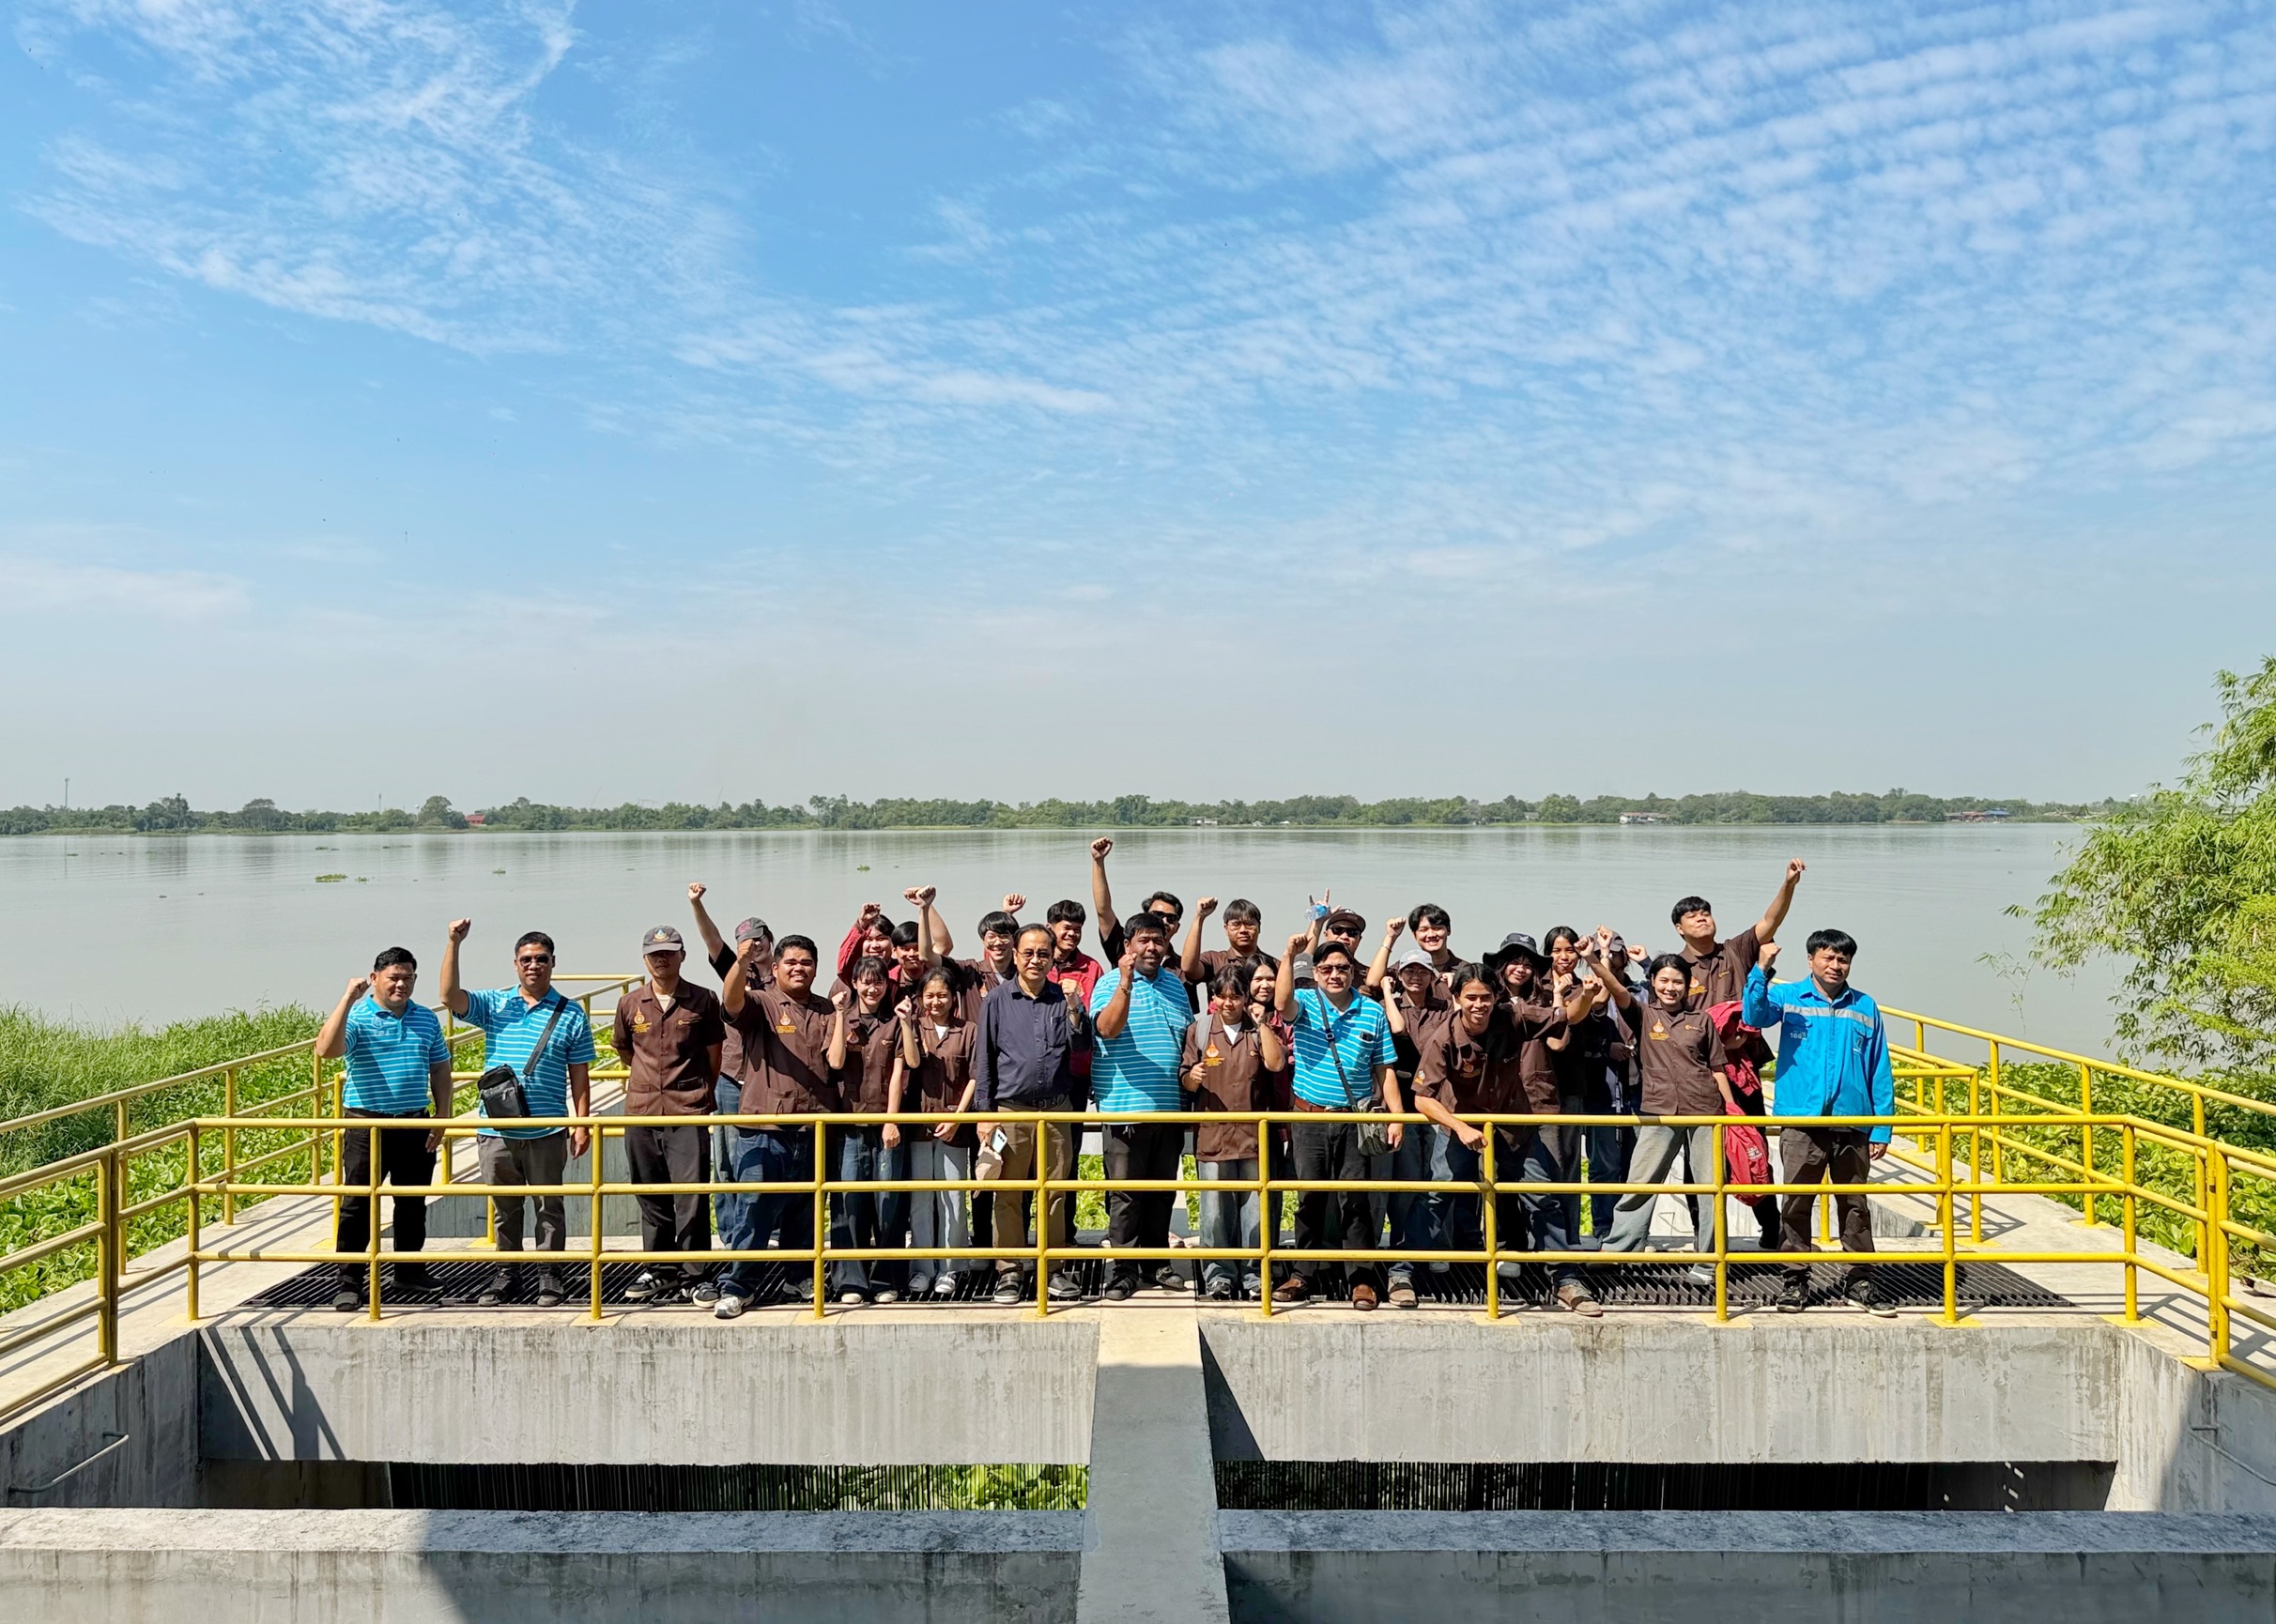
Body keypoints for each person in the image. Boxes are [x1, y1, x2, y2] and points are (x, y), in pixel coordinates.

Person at [1411, 963, 1601, 1315]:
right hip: (1461, 1127)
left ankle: (1565, 1280)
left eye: (1485, 997)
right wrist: (1460, 1127)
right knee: (1438, 1195)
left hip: (1514, 1126)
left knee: (1543, 1198)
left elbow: (1566, 1018)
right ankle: (1402, 1273)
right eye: (1471, 998)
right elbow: (1423, 1097)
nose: (1479, 1005)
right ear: (1457, 999)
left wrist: (1587, 995)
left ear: (1495, 997)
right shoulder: (1444, 1037)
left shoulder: (1513, 1016)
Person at [440, 920, 594, 1308]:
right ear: (515, 964)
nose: (534, 965)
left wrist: (580, 1124)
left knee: (549, 1207)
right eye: (526, 959)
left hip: (547, 1128)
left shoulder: (571, 1013)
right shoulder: (496, 1004)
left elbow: (579, 1076)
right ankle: (507, 1274)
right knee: (504, 1209)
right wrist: (453, 943)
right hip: (498, 1129)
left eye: (541, 959)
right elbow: (448, 996)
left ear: (553, 963)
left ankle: (549, 1276)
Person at [1745, 932, 1899, 1316]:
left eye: (1843, 960)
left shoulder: (1864, 1006)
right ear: (1811, 959)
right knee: (1796, 1203)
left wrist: (1881, 1128)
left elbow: (1879, 1069)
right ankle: (1794, 1281)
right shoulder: (1789, 997)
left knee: (1855, 1206)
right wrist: (1761, 969)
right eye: (1828, 958)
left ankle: (1860, 1281)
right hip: (1801, 1122)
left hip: (1853, 1123)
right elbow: (1753, 1016)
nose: (1835, 966)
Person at [314, 946, 454, 1310]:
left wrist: (442, 1116)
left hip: (414, 1122)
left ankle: (408, 1271)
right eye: (393, 977)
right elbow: (326, 1050)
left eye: (407, 978)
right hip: (367, 1124)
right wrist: (347, 998)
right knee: (357, 1204)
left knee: (412, 1202)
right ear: (375, 978)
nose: (401, 985)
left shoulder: (425, 1019)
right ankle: (349, 1280)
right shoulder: (358, 1016)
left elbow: (440, 1068)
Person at [1272, 930, 1400, 1310]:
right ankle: (1302, 1273)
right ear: (1315, 972)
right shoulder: (1307, 1002)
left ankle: (1360, 1278)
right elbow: (1281, 1004)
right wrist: (1287, 954)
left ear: (1352, 972)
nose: (1334, 974)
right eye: (1326, 968)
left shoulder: (1372, 1011)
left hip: (1354, 1118)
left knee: (1355, 1200)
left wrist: (1397, 1118)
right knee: (1309, 1198)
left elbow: (1384, 1070)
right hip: (1309, 1117)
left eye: (1342, 968)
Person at [715, 932, 838, 1317]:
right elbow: (731, 1001)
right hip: (765, 1128)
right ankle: (738, 1285)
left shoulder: (827, 1009)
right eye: (791, 962)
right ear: (775, 967)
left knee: (805, 1208)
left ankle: (798, 1275)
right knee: (754, 1209)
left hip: (814, 1125)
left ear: (816, 969)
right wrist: (739, 962)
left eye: (806, 963)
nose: (799, 968)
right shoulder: (762, 1004)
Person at [1593, 942, 1730, 1271]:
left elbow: (1716, 1067)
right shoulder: (1643, 1014)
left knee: (1710, 1190)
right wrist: (1592, 959)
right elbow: (1614, 988)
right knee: (1641, 1184)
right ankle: (1618, 1251)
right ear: (1652, 982)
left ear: (1687, 985)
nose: (1671, 988)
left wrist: (1733, 1109)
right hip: (1659, 1110)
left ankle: (1711, 1262)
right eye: (1664, 981)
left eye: (1678, 982)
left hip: (1705, 1111)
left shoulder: (1702, 1020)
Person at [974, 922, 1089, 1304]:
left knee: (1055, 1193)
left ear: (1053, 956)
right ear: (1016, 956)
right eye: (1029, 953)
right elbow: (985, 1061)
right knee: (1008, 1194)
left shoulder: (1062, 997)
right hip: (1011, 1110)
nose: (1036, 960)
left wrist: (1075, 1006)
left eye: (1043, 953)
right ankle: (1010, 1270)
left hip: (1056, 1110)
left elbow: (1082, 1043)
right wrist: (985, 1114)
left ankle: (1052, 1269)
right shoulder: (997, 999)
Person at [613, 926, 728, 1305]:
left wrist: (693, 1091)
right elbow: (626, 1051)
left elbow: (714, 1056)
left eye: (669, 952)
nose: (662, 959)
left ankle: (696, 1274)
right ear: (644, 958)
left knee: (691, 1195)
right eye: (655, 953)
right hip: (642, 1112)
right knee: (651, 1195)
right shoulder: (631, 1003)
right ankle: (660, 1270)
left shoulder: (703, 999)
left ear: (682, 955)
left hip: (687, 1109)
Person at [1089, 912, 1197, 1300]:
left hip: (1169, 1106)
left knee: (1162, 1190)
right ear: (1128, 946)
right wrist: (1125, 983)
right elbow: (1107, 1028)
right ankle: (1123, 1268)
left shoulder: (1175, 986)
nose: (1152, 948)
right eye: (1143, 941)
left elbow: (1187, 1040)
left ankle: (1155, 1262)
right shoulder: (1106, 985)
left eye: (1158, 940)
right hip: (1125, 1107)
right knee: (1126, 1194)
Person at [1180, 964, 1287, 1300]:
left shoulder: (1257, 1031)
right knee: (1214, 1213)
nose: (1229, 1003)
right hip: (1213, 1134)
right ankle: (1218, 1275)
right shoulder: (1198, 1031)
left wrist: (1260, 1023)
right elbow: (1183, 1078)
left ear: (1246, 997)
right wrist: (1192, 1077)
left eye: (1236, 996)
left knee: (1254, 1213)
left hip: (1254, 1137)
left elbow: (1276, 1064)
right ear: (1214, 998)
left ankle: (1254, 1274)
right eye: (1222, 997)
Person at [826, 957, 918, 1305]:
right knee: (849, 1202)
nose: (872, 988)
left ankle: (886, 1279)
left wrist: (892, 1120)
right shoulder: (841, 1018)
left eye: (878, 981)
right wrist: (838, 1016)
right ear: (854, 984)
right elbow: (834, 1061)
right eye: (865, 982)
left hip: (885, 1126)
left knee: (888, 1202)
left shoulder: (893, 1023)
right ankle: (851, 1281)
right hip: (848, 1126)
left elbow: (903, 1070)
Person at [887, 965, 980, 1298]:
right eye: (930, 995)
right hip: (920, 1126)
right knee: (921, 1200)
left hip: (954, 1126)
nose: (936, 1001)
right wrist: (906, 1023)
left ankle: (951, 1268)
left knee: (953, 1199)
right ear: (920, 998)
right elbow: (911, 1063)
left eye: (942, 995)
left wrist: (959, 1115)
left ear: (953, 997)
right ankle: (922, 1268)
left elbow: (974, 1075)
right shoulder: (913, 1027)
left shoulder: (969, 1030)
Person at [688, 884, 769, 1254]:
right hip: (732, 1080)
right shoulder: (733, 973)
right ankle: (732, 1235)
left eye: (760, 940)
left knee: (766, 1161)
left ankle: (766, 1231)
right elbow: (711, 937)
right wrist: (697, 903)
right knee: (727, 1164)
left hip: (770, 1083)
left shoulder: (787, 975)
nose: (755, 947)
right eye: (747, 943)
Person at [1373, 929, 1449, 1308]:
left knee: (1436, 1177)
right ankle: (1401, 1252)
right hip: (1401, 1100)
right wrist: (1389, 992)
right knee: (1405, 1179)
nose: (1416, 978)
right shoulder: (1390, 1006)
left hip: (1436, 1100)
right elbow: (1398, 1031)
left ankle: (1430, 1246)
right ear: (1399, 976)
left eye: (1422, 971)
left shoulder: (1443, 1007)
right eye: (1409, 972)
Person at [1546, 926, 1631, 1243]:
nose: (1563, 957)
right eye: (1556, 950)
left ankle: (1578, 1235)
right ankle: (1551, 1234)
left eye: (1569, 950)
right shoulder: (1538, 987)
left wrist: (1601, 954)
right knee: (1549, 1166)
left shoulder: (1585, 985)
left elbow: (1604, 995)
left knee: (1575, 1165)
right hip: (1538, 1088)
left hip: (1572, 1085)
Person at [1671, 860, 1806, 1010]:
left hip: (1740, 1034)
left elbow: (1770, 921)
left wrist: (1789, 885)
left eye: (1705, 914)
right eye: (1692, 916)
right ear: (1680, 928)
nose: (1701, 918)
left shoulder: (1736, 951)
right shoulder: (1675, 967)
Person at [1088, 836, 1183, 965]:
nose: (1164, 921)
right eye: (1158, 915)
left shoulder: (1182, 966)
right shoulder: (1125, 949)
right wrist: (1098, 861)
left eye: (1171, 918)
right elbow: (1103, 911)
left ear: (1177, 927)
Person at [1180, 897, 1275, 1007]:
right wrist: (1199, 917)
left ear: (1259, 927)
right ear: (1226, 928)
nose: (1243, 930)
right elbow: (1188, 967)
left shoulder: (1273, 965)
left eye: (1249, 924)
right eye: (1236, 924)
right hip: (1222, 1024)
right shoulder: (1214, 960)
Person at [951, 898, 1025, 1023]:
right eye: (991, 937)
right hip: (977, 1042)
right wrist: (925, 908)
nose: (997, 942)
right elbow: (929, 957)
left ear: (1014, 940)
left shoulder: (1023, 974)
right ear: (983, 940)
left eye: (1004, 936)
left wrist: (1007, 915)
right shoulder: (971, 972)